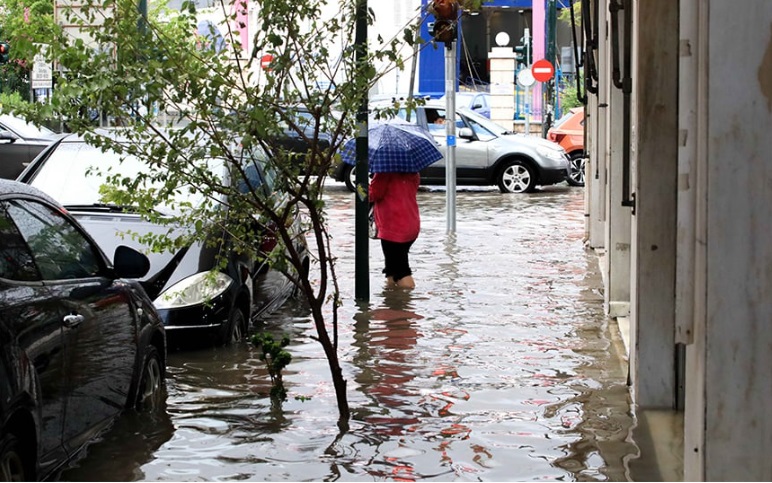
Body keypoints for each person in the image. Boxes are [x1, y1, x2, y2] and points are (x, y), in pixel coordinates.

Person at [368, 172, 420, 289]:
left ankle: (406, 301)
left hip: (392, 227)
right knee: (392, 268)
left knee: (401, 271)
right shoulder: (413, 172)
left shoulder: (383, 173)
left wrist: (366, 187)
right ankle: (391, 298)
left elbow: (374, 194)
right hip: (411, 223)